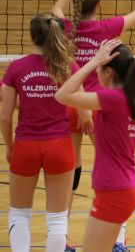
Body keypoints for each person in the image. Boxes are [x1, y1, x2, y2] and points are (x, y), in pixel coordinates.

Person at [50, 0, 135, 252]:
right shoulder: (108, 28)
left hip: (71, 104)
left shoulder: (65, 27)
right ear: (99, 6)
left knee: (71, 173)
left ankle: (61, 239)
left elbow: (56, 9)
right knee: (118, 168)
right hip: (100, 108)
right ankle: (118, 240)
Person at [54, 39, 135, 252]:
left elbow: (62, 95)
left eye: (99, 68)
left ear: (108, 72)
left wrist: (93, 61)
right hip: (130, 188)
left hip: (113, 191)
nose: (96, 72)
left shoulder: (111, 99)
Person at [2, 14, 83, 252]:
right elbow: (83, 108)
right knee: (57, 219)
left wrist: (9, 147)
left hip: (25, 145)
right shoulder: (68, 67)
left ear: (32, 36)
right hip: (59, 146)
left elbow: (5, 116)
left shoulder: (16, 67)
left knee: (19, 214)